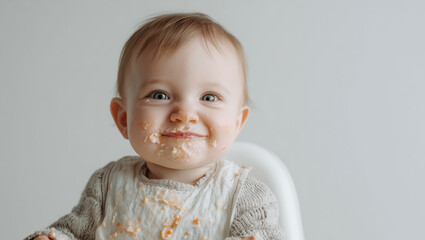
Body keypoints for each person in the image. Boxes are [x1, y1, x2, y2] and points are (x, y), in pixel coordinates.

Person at [25, 12, 283, 240]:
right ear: (123, 118)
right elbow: (72, 231)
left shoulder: (245, 197)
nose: (184, 114)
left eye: (208, 97)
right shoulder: (108, 186)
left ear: (237, 123)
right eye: (159, 95)